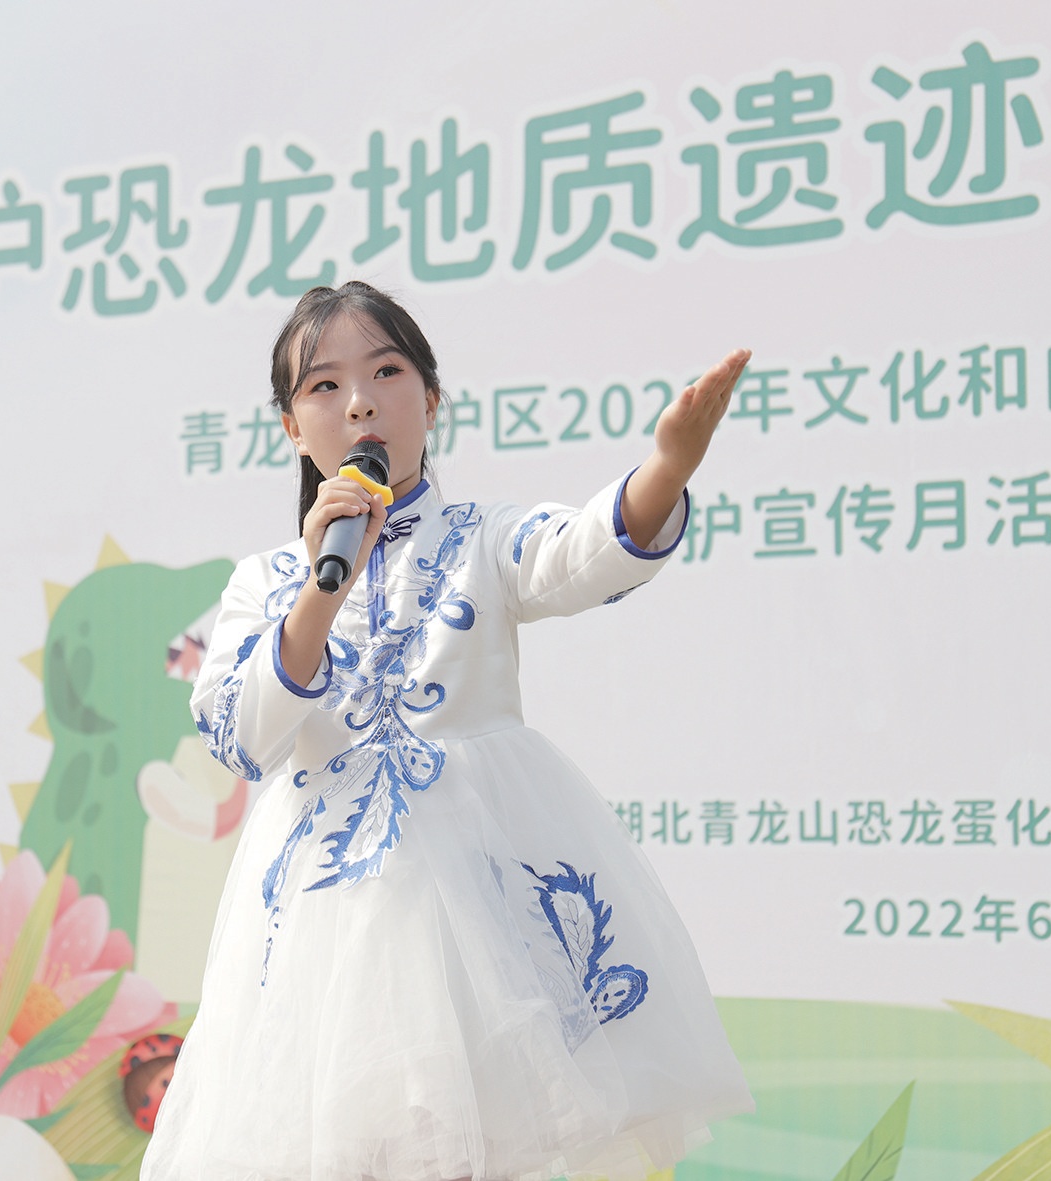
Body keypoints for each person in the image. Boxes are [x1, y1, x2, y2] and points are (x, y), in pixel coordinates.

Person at [140, 281, 754, 1181]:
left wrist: (667, 467)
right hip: (327, 938)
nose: (360, 402)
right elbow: (242, 738)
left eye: (387, 372)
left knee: (480, 1150)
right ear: (291, 427)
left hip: (478, 927)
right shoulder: (264, 583)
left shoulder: (483, 539)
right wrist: (319, 589)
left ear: (431, 400)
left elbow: (583, 552)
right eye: (325, 385)